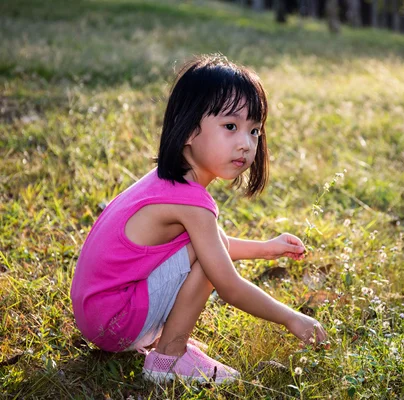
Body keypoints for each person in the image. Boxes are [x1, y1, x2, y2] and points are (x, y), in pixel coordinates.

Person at [70, 54, 328, 385]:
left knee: (206, 251)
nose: (246, 144)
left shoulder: (168, 182)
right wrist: (293, 319)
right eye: (230, 127)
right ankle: (169, 356)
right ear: (189, 128)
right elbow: (228, 284)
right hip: (115, 323)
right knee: (209, 263)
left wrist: (266, 248)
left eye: (254, 131)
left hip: (100, 315)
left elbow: (213, 245)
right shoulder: (191, 202)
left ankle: (163, 339)